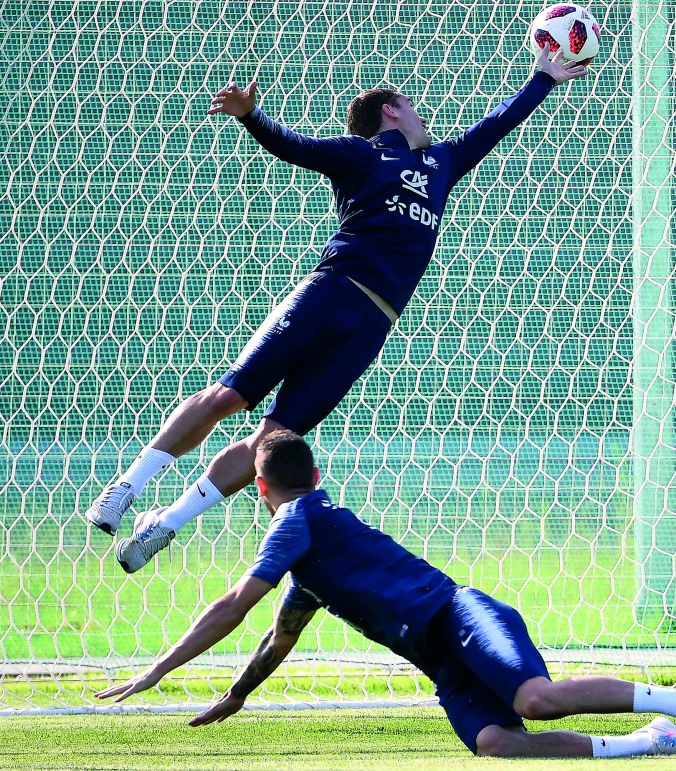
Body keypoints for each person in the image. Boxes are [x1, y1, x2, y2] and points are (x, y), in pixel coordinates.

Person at [86, 43, 588, 574]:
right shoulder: (360, 154)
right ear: (391, 111)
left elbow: (497, 123)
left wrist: (544, 77)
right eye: (412, 104)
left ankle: (166, 524)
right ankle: (125, 490)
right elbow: (296, 146)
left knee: (272, 441)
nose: (422, 114)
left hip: (372, 324)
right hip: (331, 291)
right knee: (230, 395)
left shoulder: (443, 163)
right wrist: (252, 117)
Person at [95, 430, 676, 758]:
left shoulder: (295, 523)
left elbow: (234, 604)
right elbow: (277, 634)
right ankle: (654, 739)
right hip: (442, 659)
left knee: (537, 699)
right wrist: (238, 693)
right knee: (497, 743)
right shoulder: (309, 557)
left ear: (260, 490)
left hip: (462, 615)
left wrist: (157, 670)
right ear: (315, 472)